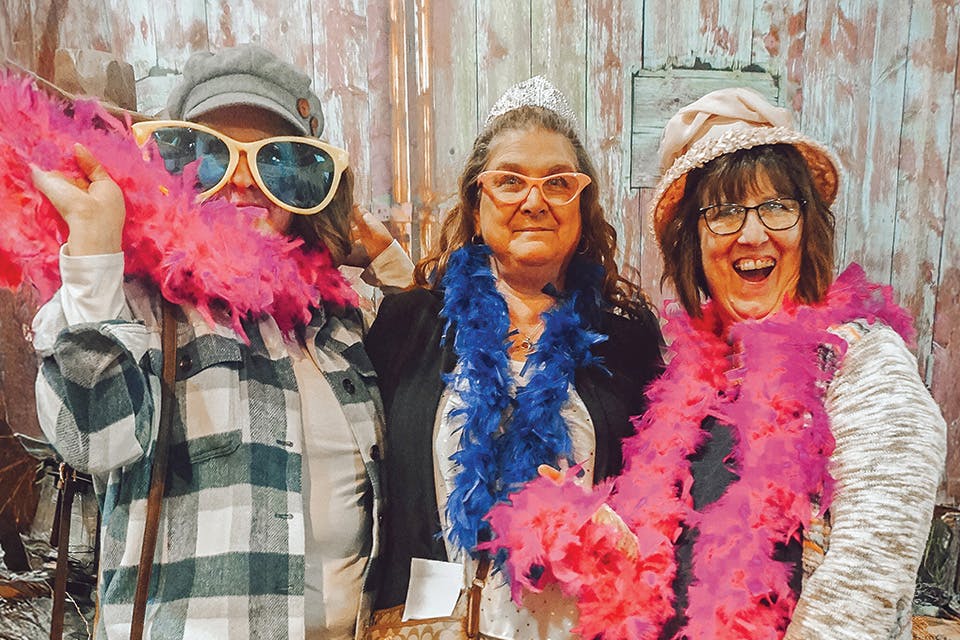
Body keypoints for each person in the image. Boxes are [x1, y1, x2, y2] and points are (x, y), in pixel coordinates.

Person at [484, 87, 947, 640]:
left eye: (776, 206)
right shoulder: (687, 382)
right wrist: (606, 537)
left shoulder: (862, 364)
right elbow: (667, 579)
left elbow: (863, 597)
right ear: (694, 245)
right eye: (723, 213)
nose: (753, 234)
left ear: (808, 226)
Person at [30, 44, 411, 640]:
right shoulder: (140, 303)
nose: (241, 179)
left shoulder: (337, 323)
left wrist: (388, 257)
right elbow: (90, 439)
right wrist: (93, 254)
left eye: (280, 164)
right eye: (205, 156)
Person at [364, 76, 664, 639]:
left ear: (583, 206)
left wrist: (618, 536)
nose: (534, 200)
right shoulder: (413, 325)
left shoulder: (626, 343)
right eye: (509, 181)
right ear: (477, 208)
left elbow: (663, 499)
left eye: (558, 182)